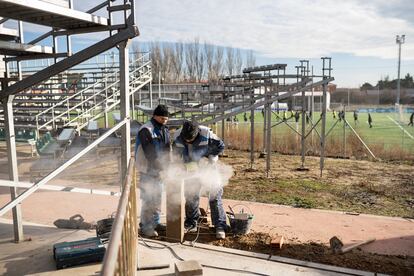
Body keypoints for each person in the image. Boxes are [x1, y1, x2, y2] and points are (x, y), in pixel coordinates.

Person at [173, 121, 227, 239]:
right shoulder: (177, 136)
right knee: (191, 195)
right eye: (186, 139)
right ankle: (191, 223)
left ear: (197, 134)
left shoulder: (207, 133)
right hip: (190, 167)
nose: (188, 142)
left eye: (191, 139)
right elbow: (176, 154)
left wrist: (211, 157)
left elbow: (221, 146)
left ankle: (220, 225)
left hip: (208, 166)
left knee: (214, 195)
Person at [135, 104, 171, 237]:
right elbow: (150, 153)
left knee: (157, 197)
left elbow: (167, 150)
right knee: (148, 197)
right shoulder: (146, 130)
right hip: (147, 169)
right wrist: (161, 168)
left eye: (166, 119)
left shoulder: (164, 129)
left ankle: (155, 222)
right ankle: (146, 226)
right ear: (155, 116)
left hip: (160, 170)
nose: (164, 121)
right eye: (162, 118)